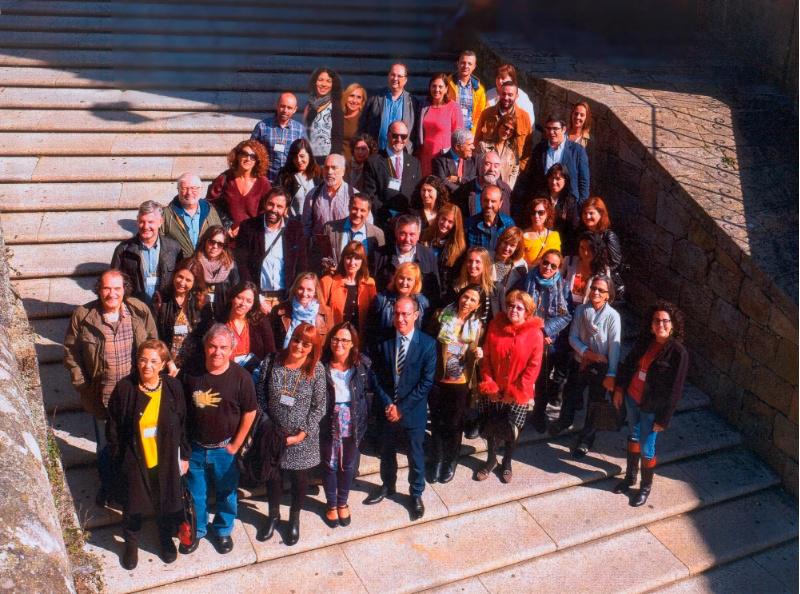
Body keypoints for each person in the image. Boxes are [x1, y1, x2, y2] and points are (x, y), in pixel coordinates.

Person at [64, 269, 158, 507]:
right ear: (99, 289)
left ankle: (132, 492)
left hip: (134, 395)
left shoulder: (139, 311)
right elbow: (71, 353)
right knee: (106, 448)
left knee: (133, 445)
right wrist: (81, 384)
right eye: (106, 288)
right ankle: (108, 488)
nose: (112, 294)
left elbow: (153, 344)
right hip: (101, 397)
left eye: (117, 288)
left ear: (125, 289)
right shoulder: (83, 316)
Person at [106, 340, 189, 569]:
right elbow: (113, 429)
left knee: (165, 501)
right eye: (143, 360)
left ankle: (165, 538)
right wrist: (120, 459)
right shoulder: (125, 388)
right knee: (132, 506)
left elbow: (183, 423)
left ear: (163, 364)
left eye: (154, 361)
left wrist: (184, 456)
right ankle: (131, 544)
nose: (147, 366)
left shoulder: (173, 387)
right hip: (135, 459)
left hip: (165, 459)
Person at [183, 324, 257, 554]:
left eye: (223, 347)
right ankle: (198, 529)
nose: (217, 352)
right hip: (195, 448)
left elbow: (250, 412)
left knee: (227, 493)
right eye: (213, 346)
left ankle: (223, 529)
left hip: (225, 450)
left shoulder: (241, 377)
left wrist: (236, 445)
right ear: (205, 346)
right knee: (196, 493)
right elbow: (180, 411)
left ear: (232, 349)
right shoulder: (190, 373)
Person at [365, 296, 436, 520]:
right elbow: (375, 375)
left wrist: (401, 408)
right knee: (386, 452)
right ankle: (388, 485)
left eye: (405, 314)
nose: (400, 318)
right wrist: (388, 403)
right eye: (396, 313)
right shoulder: (383, 340)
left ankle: (416, 493)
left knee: (415, 455)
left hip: (412, 412)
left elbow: (426, 382)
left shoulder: (427, 344)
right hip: (386, 409)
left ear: (416, 315)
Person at [611, 301, 688, 507]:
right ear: (651, 325)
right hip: (632, 399)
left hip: (651, 408)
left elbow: (675, 390)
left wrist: (664, 418)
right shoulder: (645, 342)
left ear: (673, 325)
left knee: (647, 448)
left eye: (665, 321)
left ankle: (645, 487)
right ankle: (630, 477)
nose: (661, 324)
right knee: (633, 436)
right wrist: (619, 389)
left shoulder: (678, 353)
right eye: (656, 321)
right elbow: (628, 365)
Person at [256, 322, 326, 545]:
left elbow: (319, 407)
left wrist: (302, 434)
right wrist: (269, 425)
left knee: (299, 480)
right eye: (296, 340)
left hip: (302, 438)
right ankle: (273, 515)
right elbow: (260, 395)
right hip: (274, 434)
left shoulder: (316, 369)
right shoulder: (272, 360)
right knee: (273, 478)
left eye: (306, 344)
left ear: (313, 348)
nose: (299, 346)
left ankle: (294, 518)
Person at [550, 275, 621, 459]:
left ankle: (587, 438)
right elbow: (573, 337)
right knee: (570, 394)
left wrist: (611, 373)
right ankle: (564, 420)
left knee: (595, 402)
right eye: (594, 288)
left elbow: (614, 346)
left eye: (601, 290)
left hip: (600, 366)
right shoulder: (581, 310)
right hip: (580, 361)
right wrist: (587, 353)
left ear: (608, 295)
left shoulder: (613, 317)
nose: (596, 292)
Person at [476, 290, 543, 483]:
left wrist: (514, 393)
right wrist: (490, 385)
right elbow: (486, 358)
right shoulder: (495, 325)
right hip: (494, 389)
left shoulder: (535, 334)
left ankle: (507, 462)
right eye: (511, 306)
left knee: (512, 430)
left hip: (518, 392)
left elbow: (533, 368)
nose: (514, 310)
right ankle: (491, 460)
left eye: (519, 308)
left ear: (527, 312)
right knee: (491, 425)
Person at [427, 285, 484, 483]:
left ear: (477, 306)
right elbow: (428, 341)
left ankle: (450, 461)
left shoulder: (477, 326)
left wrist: (480, 353)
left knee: (454, 422)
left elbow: (480, 350)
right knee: (437, 421)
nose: (467, 302)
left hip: (460, 381)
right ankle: (436, 459)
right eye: (465, 297)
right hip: (438, 378)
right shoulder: (441, 315)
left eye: (472, 300)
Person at [320, 323, 372, 527]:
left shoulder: (362, 365)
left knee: (348, 463)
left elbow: (368, 392)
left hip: (353, 419)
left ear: (352, 344)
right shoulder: (321, 366)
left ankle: (343, 502)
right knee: (330, 463)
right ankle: (331, 504)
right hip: (328, 420)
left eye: (344, 340)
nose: (339, 343)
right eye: (335, 339)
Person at [518, 249, 572, 432]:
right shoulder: (527, 280)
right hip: (525, 334)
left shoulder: (563, 286)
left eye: (553, 266)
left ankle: (538, 413)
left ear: (558, 269)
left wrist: (545, 330)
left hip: (547, 340)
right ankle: (516, 411)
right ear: (540, 261)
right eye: (545, 262)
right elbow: (517, 305)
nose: (548, 267)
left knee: (542, 378)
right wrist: (534, 329)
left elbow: (566, 315)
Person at [234, 187, 307, 311]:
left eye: (279, 206)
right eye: (271, 204)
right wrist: (257, 299)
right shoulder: (248, 228)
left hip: (286, 300)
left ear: (286, 210)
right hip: (257, 299)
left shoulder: (295, 229)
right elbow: (242, 266)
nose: (274, 209)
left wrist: (294, 298)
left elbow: (301, 266)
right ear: (264, 204)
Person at [111, 201, 182, 303]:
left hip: (165, 306)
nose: (145, 226)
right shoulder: (123, 250)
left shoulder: (174, 248)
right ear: (137, 222)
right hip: (135, 307)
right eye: (142, 221)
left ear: (160, 222)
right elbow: (114, 281)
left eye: (150, 222)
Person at [514, 113, 589, 206]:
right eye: (548, 128)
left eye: (555, 129)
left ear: (564, 129)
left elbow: (584, 182)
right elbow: (532, 177)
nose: (551, 132)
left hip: (568, 205)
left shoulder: (577, 151)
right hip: (544, 203)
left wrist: (580, 206)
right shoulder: (540, 149)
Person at [153, 258, 209, 375]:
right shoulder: (161, 298)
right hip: (167, 365)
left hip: (193, 365)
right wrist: (168, 362)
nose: (182, 283)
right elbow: (155, 335)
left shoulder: (201, 301)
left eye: (188, 280)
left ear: (195, 282)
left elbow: (205, 335)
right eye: (180, 277)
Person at [206, 140, 272, 238]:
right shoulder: (224, 179)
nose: (248, 159)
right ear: (237, 156)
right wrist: (225, 225)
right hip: (228, 238)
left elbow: (267, 211)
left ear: (257, 160)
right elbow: (209, 204)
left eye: (253, 156)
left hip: (253, 238)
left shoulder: (263, 183)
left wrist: (248, 227)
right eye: (244, 154)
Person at [363, 120, 422, 227]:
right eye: (395, 135)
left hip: (407, 222)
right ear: (388, 135)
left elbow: (417, 194)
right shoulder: (373, 162)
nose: (399, 140)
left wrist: (408, 217)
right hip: (382, 221)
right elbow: (370, 195)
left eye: (403, 136)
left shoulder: (415, 163)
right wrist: (389, 217)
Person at [372, 214, 441, 301]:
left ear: (418, 235)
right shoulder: (379, 255)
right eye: (403, 234)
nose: (407, 239)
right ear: (396, 233)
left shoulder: (428, 256)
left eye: (412, 234)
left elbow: (434, 292)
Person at [320, 241, 378, 338]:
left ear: (363, 261)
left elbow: (373, 317)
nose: (352, 263)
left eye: (357, 258)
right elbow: (320, 315)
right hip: (335, 340)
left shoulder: (369, 284)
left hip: (360, 341)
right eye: (348, 258)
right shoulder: (328, 282)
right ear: (343, 259)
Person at [359, 63, 419, 153]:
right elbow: (363, 125)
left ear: (405, 80)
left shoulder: (413, 102)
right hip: (376, 153)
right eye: (393, 75)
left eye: (399, 76)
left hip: (401, 154)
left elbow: (415, 132)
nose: (395, 78)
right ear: (388, 76)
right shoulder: (374, 97)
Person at [161, 173, 222, 259]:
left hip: (206, 263)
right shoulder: (167, 214)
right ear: (178, 190)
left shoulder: (210, 211)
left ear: (200, 189)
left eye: (193, 188)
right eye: (184, 188)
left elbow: (220, 237)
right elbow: (159, 243)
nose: (189, 193)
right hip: (179, 265)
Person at [222, 281, 277, 374]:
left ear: (252, 305)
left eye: (248, 301)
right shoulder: (219, 322)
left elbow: (271, 353)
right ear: (232, 298)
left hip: (253, 374)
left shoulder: (260, 322)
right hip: (226, 373)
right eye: (239, 298)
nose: (243, 303)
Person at [251, 92, 306, 183]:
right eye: (282, 106)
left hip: (290, 182)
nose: (285, 110)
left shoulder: (300, 130)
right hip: (266, 181)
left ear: (295, 110)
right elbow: (252, 152)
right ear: (277, 106)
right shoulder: (262, 127)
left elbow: (306, 157)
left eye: (289, 108)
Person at [322, 192, 385, 271]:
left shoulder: (377, 234)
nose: (358, 214)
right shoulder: (330, 229)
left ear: (368, 212)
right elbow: (320, 256)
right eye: (355, 209)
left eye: (362, 210)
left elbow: (378, 264)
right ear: (349, 207)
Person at [417, 73, 464, 177]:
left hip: (444, 157)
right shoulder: (424, 105)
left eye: (440, 87)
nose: (436, 89)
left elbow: (459, 138)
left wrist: (458, 163)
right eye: (434, 86)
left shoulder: (453, 107)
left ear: (446, 89)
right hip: (426, 156)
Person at [270, 272, 332, 349]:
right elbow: (271, 342)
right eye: (301, 288)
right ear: (295, 289)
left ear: (315, 292)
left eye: (309, 290)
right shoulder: (279, 310)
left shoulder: (326, 312)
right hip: (286, 355)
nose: (304, 293)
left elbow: (329, 343)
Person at [579, 197, 625, 301]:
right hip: (583, 278)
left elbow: (615, 262)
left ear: (601, 214)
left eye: (591, 213)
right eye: (585, 213)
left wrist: (597, 271)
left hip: (602, 284)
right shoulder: (582, 233)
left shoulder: (609, 236)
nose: (587, 216)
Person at [474, 81, 531, 163]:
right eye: (503, 94)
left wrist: (520, 168)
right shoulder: (486, 114)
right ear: (499, 94)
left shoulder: (524, 117)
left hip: (512, 168)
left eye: (510, 95)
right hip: (488, 166)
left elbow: (527, 148)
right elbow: (477, 140)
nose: (506, 98)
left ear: (516, 96)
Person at [369, 262, 430, 337]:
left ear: (416, 282)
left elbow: (425, 332)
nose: (404, 282)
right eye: (401, 278)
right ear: (395, 278)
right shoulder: (381, 300)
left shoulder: (422, 302)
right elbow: (371, 330)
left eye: (409, 279)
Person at [420, 202, 466, 297]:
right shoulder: (424, 236)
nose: (445, 224)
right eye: (443, 219)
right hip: (421, 287)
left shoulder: (459, 247)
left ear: (455, 225)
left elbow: (455, 277)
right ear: (438, 217)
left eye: (450, 222)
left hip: (443, 293)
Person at [194, 225, 240, 319]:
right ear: (205, 241)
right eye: (212, 242)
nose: (215, 246)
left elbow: (236, 294)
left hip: (223, 318)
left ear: (224, 247)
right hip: (197, 318)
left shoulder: (231, 266)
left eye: (220, 244)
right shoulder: (194, 263)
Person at [451, 150, 513, 219]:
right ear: (479, 166)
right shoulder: (464, 191)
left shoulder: (506, 190)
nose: (492, 169)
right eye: (487, 164)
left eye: (496, 166)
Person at [276, 138, 323, 219]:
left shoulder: (319, 174)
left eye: (302, 156)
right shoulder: (285, 176)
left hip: (314, 222)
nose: (298, 160)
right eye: (295, 157)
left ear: (309, 155)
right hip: (293, 222)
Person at [452, 246, 501, 324]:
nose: (473, 265)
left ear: (485, 264)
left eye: (477, 262)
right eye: (470, 261)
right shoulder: (457, 286)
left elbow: (501, 316)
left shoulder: (496, 288)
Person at [304, 67, 344, 162]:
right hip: (310, 159)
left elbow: (338, 138)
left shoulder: (335, 106)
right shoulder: (310, 106)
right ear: (315, 82)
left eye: (328, 81)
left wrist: (332, 160)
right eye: (320, 80)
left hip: (327, 160)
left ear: (333, 84)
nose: (324, 84)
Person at [564, 232, 611, 307]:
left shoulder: (603, 270)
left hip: (589, 309)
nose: (585, 253)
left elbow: (605, 295)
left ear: (596, 249)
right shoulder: (569, 261)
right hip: (566, 307)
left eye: (589, 249)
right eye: (582, 248)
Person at [464, 184, 515, 252]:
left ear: (500, 204)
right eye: (486, 200)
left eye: (493, 201)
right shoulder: (469, 224)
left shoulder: (508, 224)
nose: (489, 205)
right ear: (480, 201)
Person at [477, 113, 520, 190]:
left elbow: (515, 169)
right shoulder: (483, 146)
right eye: (506, 127)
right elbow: (477, 169)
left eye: (511, 130)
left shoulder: (512, 150)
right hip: (484, 190)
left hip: (503, 191)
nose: (507, 132)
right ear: (499, 125)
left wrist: (509, 187)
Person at [445, 50, 486, 132]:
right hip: (450, 131)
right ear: (458, 64)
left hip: (469, 133)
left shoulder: (479, 89)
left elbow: (480, 114)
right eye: (463, 62)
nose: (466, 66)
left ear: (474, 67)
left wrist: (474, 132)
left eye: (469, 64)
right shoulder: (447, 84)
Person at [544, 163, 580, 255]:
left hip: (562, 247)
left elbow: (573, 228)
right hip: (542, 243)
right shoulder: (540, 197)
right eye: (551, 178)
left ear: (565, 180)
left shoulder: (570, 201)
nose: (554, 182)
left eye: (558, 179)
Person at [485, 63, 535, 128]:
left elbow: (529, 122)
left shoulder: (522, 97)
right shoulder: (489, 94)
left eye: (503, 78)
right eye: (498, 78)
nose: (500, 81)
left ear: (512, 79)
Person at [432, 128, 477, 194]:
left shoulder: (473, 160)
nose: (473, 147)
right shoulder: (439, 162)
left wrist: (459, 179)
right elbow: (442, 183)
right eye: (469, 144)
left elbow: (474, 180)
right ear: (458, 147)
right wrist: (463, 191)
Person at [521, 198, 561, 266]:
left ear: (547, 214)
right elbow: (520, 262)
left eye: (541, 213)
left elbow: (558, 261)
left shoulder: (555, 236)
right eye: (533, 212)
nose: (536, 216)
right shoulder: (523, 236)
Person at [492, 225, 527, 292]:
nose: (507, 248)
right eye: (505, 243)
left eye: (512, 245)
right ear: (500, 241)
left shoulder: (521, 266)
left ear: (517, 248)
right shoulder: (487, 258)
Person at [341, 83, 367, 161]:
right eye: (351, 96)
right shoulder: (337, 116)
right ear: (345, 97)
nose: (354, 100)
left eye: (359, 97)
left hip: (354, 164)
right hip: (335, 163)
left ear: (362, 101)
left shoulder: (364, 119)